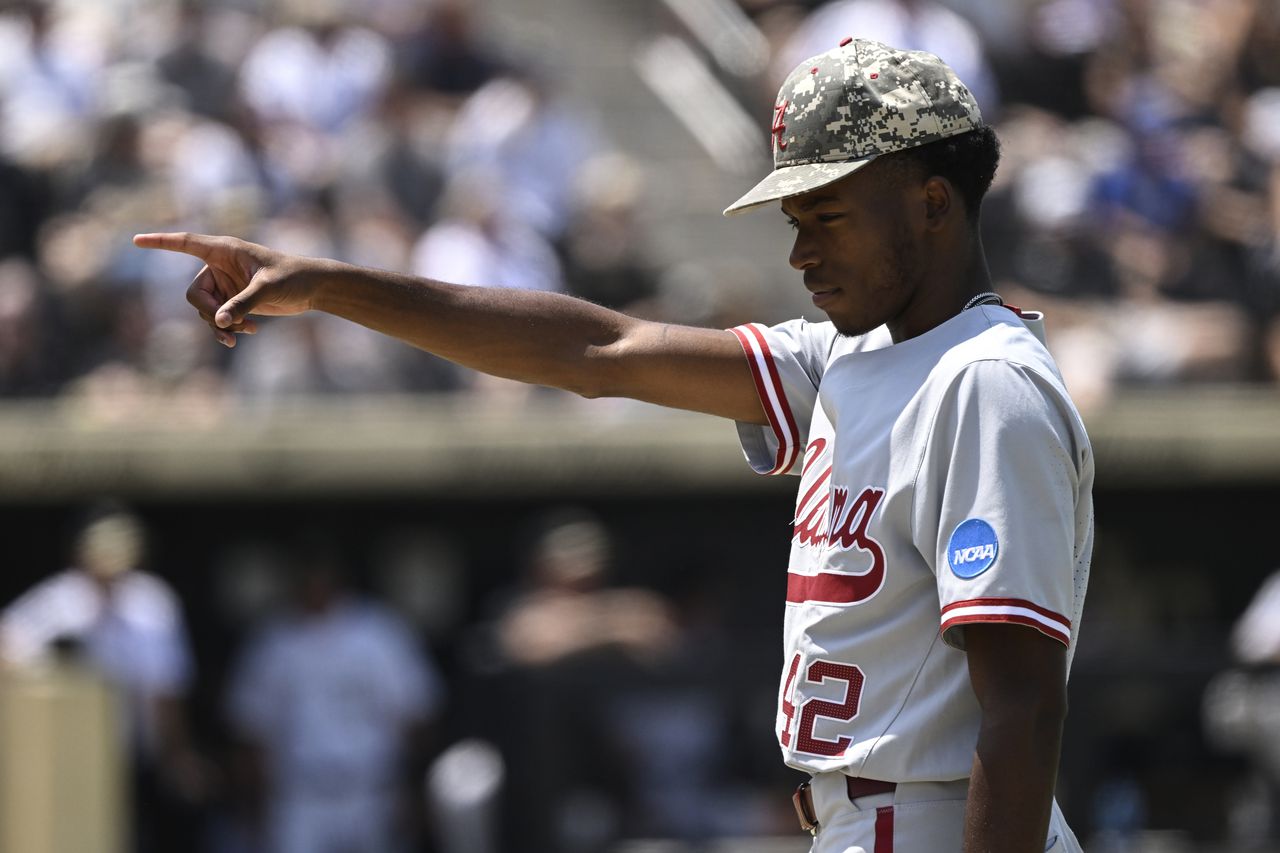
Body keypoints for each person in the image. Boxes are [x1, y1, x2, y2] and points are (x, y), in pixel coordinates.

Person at [137, 37, 1093, 853]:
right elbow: (602, 348)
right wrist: (332, 286)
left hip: (935, 824)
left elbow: (1022, 708)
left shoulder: (983, 380)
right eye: (797, 222)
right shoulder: (844, 361)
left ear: (933, 202)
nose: (801, 254)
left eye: (828, 215)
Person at [0, 502, 208, 852]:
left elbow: (167, 690)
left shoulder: (153, 602)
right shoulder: (58, 602)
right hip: (68, 760)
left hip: (135, 756)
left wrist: (178, 754)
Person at [223, 532, 445, 853]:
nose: (315, 583)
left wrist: (412, 791)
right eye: (307, 575)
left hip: (370, 793)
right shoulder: (272, 641)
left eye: (322, 574)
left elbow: (417, 716)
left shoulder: (379, 633)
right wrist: (252, 808)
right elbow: (250, 731)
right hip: (299, 796)